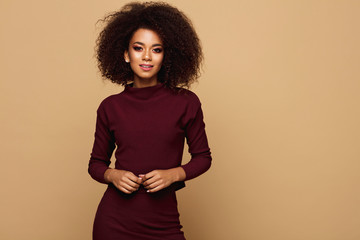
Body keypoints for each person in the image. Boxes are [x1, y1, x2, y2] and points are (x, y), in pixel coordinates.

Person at [88, 2, 212, 239]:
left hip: (164, 223)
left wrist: (175, 174)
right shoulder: (110, 107)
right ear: (125, 54)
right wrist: (113, 175)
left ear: (166, 56)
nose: (146, 56)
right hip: (114, 223)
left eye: (156, 49)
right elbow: (95, 164)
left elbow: (203, 157)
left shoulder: (186, 102)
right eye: (138, 48)